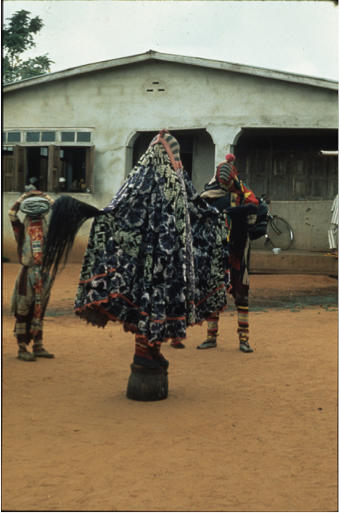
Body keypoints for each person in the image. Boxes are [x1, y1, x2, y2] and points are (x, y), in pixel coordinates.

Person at [43, 130, 230, 400]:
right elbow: (193, 214)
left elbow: (117, 213)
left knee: (144, 311)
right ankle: (148, 355)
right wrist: (213, 217)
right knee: (152, 310)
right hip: (162, 273)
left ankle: (148, 354)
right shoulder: (171, 188)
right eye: (175, 157)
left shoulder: (137, 187)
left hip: (143, 279)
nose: (178, 163)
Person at [171, 154, 259, 353]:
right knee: (214, 294)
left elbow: (255, 209)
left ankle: (242, 339)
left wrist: (234, 213)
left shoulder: (240, 197)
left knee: (241, 295)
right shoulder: (208, 198)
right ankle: (214, 337)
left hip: (236, 253)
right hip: (217, 254)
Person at [8, 188, 55, 361]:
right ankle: (21, 348)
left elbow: (58, 212)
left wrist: (46, 197)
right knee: (23, 309)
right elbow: (12, 213)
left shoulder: (49, 229)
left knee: (40, 309)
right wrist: (24, 197)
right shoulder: (21, 230)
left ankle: (38, 346)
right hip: (27, 274)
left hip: (42, 274)